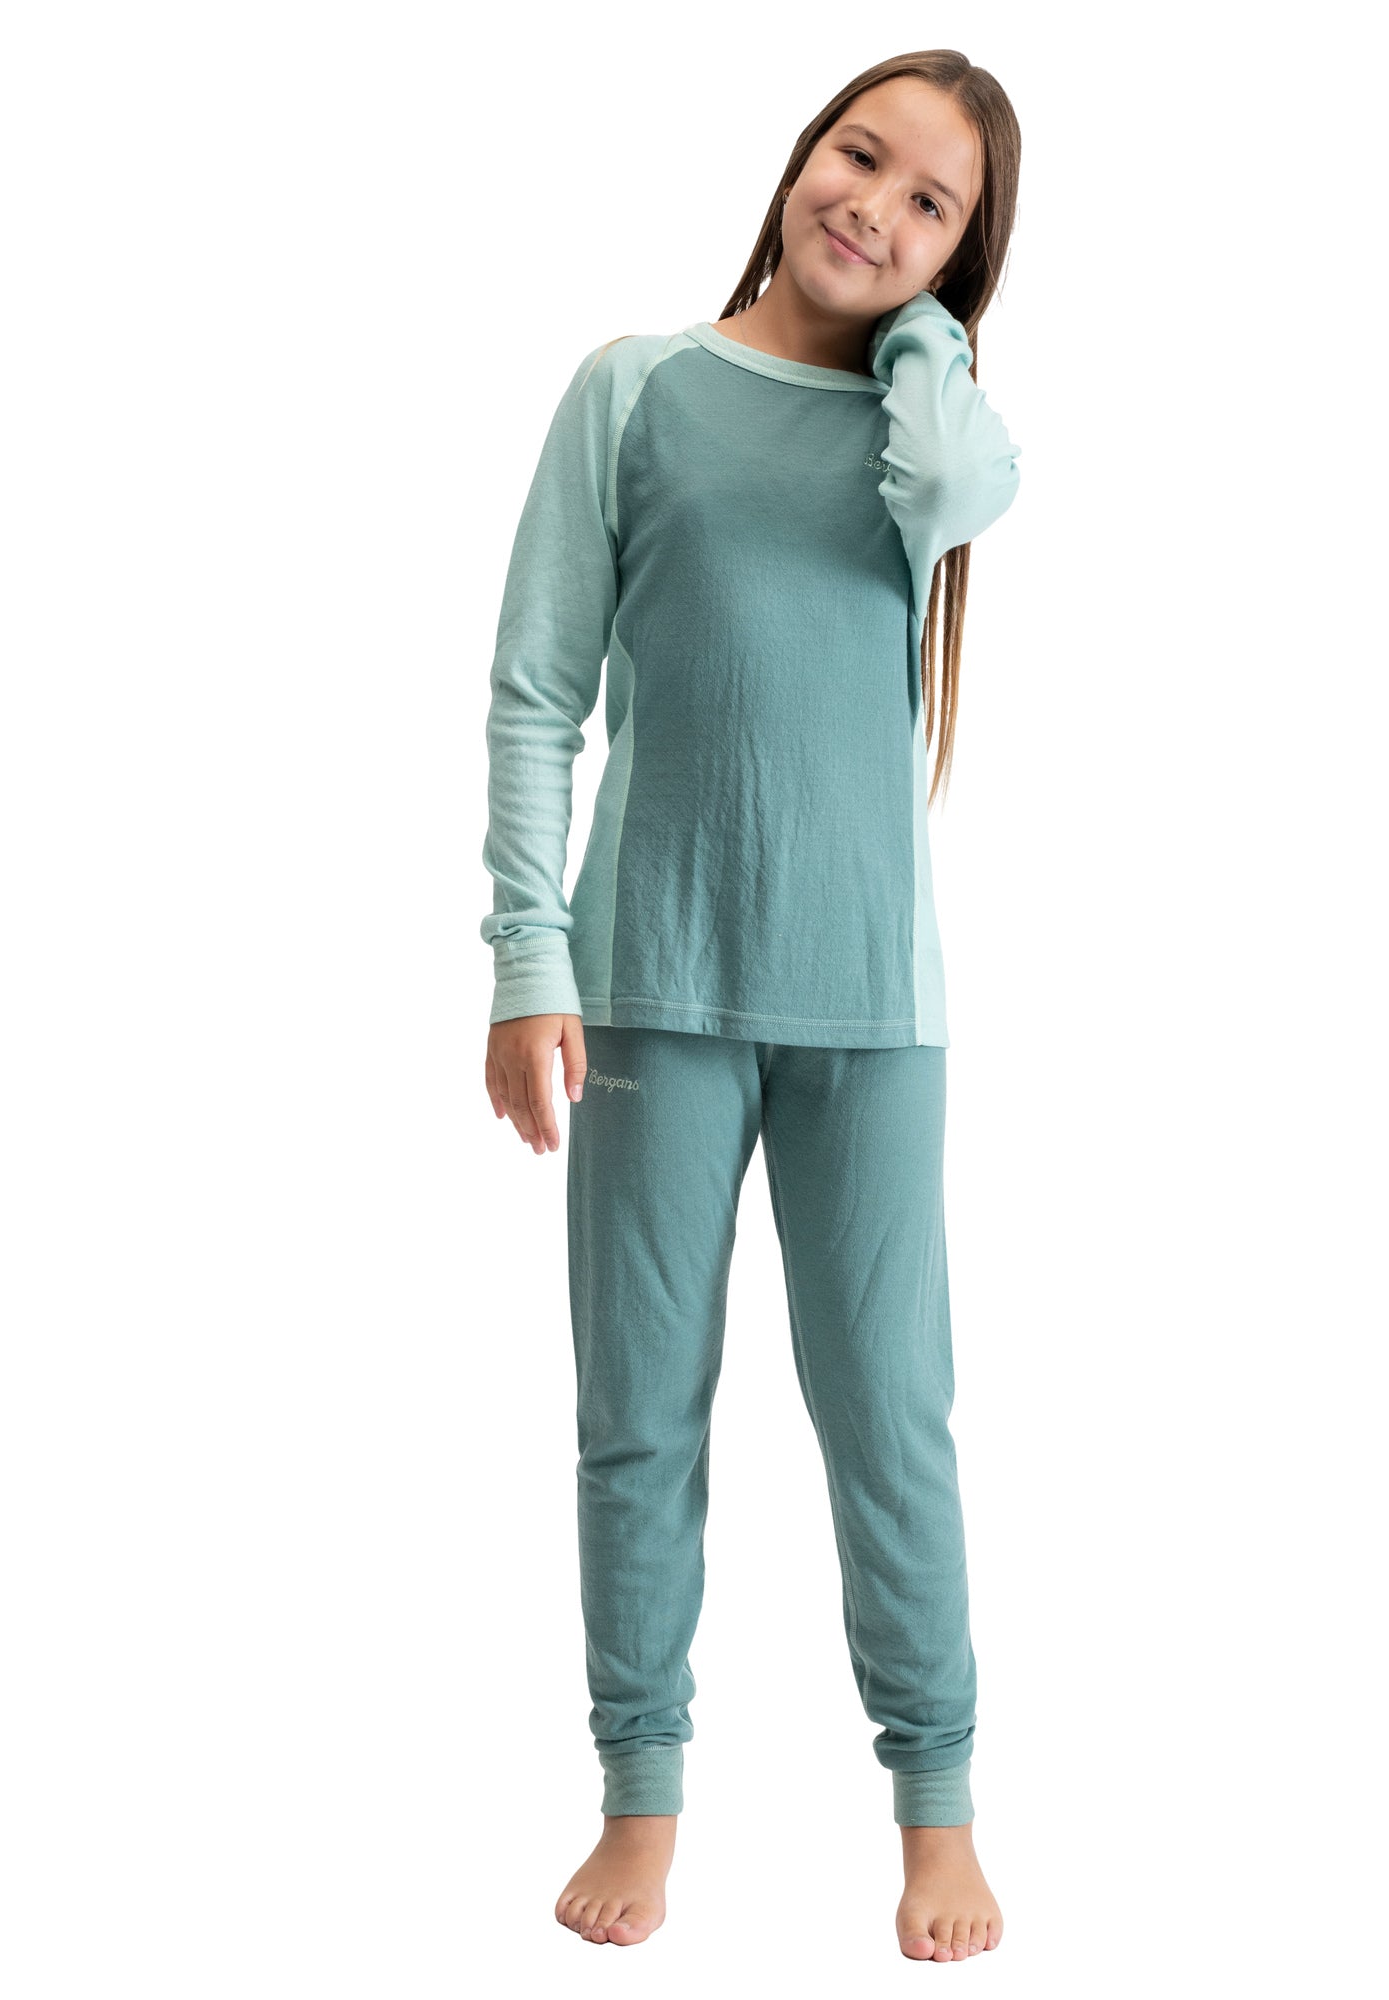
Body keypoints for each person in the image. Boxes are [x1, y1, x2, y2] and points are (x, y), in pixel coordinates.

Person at [480, 50, 1023, 1963]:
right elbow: (536, 689)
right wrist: (526, 960)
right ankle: (640, 1793)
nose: (874, 204)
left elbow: (966, 488)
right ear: (801, 155)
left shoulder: (923, 431)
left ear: (961, 259)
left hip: (871, 1008)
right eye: (859, 156)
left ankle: (937, 1808)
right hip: (651, 985)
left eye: (931, 202)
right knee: (638, 1411)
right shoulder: (635, 388)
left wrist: (923, 335)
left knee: (890, 1418)